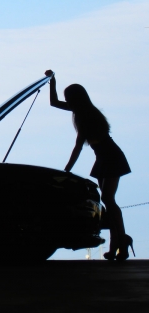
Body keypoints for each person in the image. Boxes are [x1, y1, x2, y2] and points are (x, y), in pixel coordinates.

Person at [44, 70, 133, 261]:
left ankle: (120, 241)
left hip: (110, 157)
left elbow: (78, 147)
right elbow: (54, 103)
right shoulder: (83, 111)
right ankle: (118, 242)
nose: (67, 102)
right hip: (104, 157)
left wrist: (66, 169)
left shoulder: (86, 116)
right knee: (108, 200)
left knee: (108, 199)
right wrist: (52, 82)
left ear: (75, 99)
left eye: (69, 98)